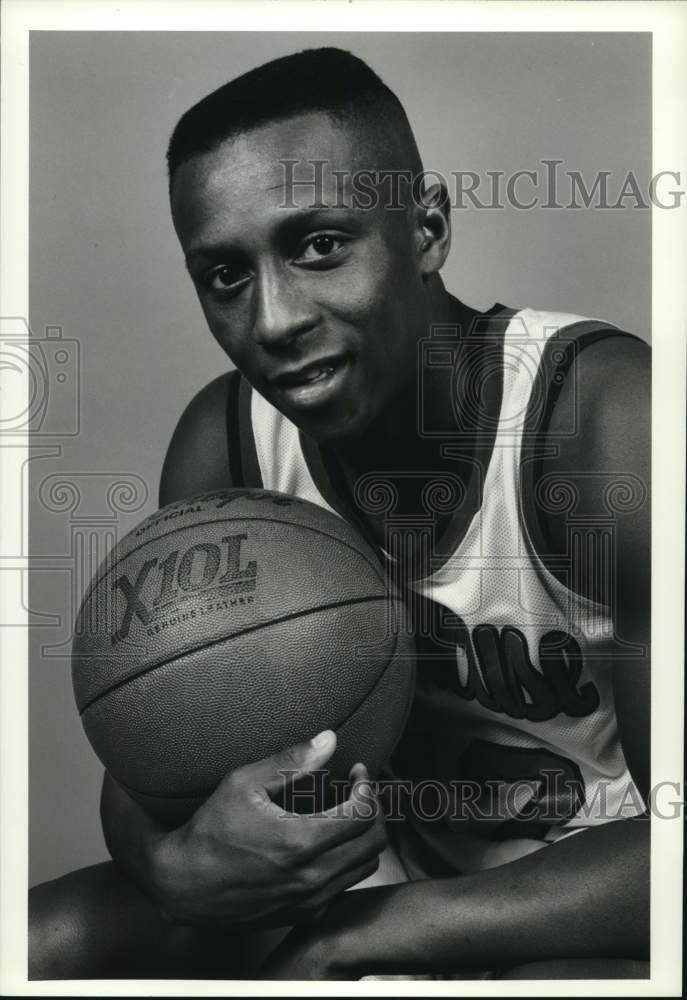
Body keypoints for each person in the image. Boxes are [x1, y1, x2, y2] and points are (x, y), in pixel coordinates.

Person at [29, 47, 650, 980]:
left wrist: (375, 936)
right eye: (226, 276)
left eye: (318, 245)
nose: (274, 319)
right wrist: (171, 866)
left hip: (584, 895)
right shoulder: (227, 445)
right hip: (359, 878)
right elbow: (151, 754)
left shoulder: (599, 420)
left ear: (427, 227)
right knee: (41, 943)